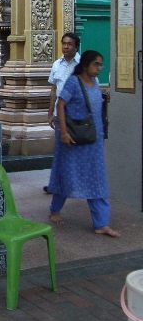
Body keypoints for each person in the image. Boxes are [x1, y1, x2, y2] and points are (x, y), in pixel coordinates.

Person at [48, 50, 120, 237]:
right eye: (96, 64)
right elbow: (61, 105)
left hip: (93, 141)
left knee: (97, 179)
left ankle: (101, 223)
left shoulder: (95, 84)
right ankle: (55, 210)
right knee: (66, 174)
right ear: (86, 64)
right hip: (73, 140)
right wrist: (63, 132)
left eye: (100, 64)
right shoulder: (73, 82)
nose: (99, 68)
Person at [44, 33, 80, 194]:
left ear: (76, 46)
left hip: (77, 116)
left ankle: (76, 183)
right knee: (59, 151)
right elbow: (53, 90)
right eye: (64, 43)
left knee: (77, 150)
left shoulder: (82, 66)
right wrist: (50, 112)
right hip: (60, 115)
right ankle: (56, 184)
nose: (66, 46)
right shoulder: (57, 64)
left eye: (69, 44)